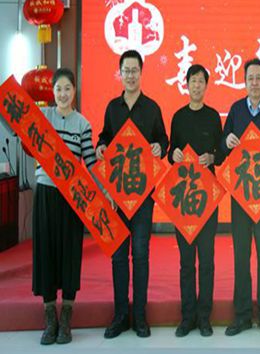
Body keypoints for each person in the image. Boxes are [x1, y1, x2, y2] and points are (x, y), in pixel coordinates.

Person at [97, 50, 169, 339]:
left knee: (140, 254)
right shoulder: (112, 108)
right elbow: (104, 136)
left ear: (141, 72)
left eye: (134, 70)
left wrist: (159, 148)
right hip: (116, 196)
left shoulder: (151, 108)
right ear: (120, 73)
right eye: (125, 70)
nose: (130, 75)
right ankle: (120, 316)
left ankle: (139, 316)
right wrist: (101, 146)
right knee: (118, 256)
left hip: (143, 196)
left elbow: (163, 140)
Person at [221, 58, 260, 337]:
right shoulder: (236, 110)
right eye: (250, 78)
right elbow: (223, 148)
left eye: (259, 78)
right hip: (240, 196)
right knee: (241, 256)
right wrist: (227, 141)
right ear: (245, 81)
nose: (255, 82)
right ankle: (242, 316)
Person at [32, 68, 96, 345]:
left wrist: (104, 190)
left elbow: (90, 162)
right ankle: (50, 319)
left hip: (73, 198)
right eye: (58, 89)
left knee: (70, 254)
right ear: (53, 91)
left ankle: (66, 319)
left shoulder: (83, 124)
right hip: (45, 193)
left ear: (74, 91)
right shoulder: (41, 117)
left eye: (67, 88)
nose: (63, 94)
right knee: (45, 253)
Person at [168, 64, 223, 338]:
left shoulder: (213, 117)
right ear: (187, 84)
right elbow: (170, 153)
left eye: (201, 81)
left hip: (207, 198)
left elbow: (221, 154)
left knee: (207, 260)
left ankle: (204, 317)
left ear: (206, 86)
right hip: (184, 199)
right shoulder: (178, 117)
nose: (197, 85)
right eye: (193, 81)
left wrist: (212, 157)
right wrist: (174, 155)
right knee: (186, 261)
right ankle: (187, 317)